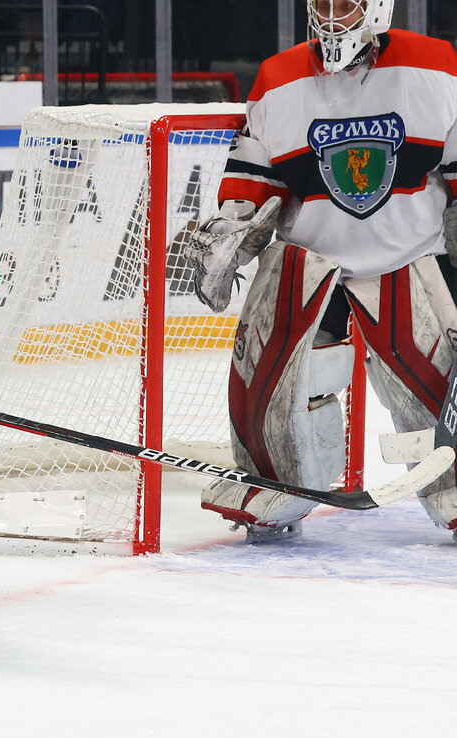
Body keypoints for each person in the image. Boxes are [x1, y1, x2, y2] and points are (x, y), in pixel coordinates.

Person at [186, 0, 457, 541]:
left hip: (409, 258)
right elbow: (255, 176)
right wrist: (231, 233)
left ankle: (453, 488)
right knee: (272, 386)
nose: (332, 15)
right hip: (310, 262)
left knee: (435, 388)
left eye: (345, 3)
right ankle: (276, 484)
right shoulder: (279, 76)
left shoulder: (436, 65)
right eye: (324, 2)